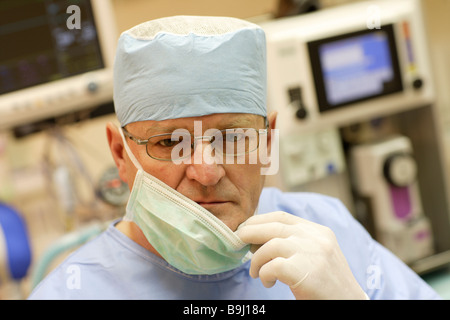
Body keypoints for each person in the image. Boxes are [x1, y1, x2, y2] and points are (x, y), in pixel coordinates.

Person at [29, 15, 440, 300]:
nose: (207, 171)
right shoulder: (75, 289)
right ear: (121, 153)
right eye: (170, 143)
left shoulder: (325, 231)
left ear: (267, 141)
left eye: (232, 138)